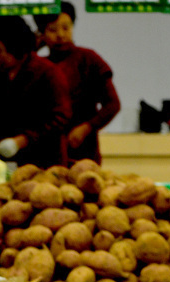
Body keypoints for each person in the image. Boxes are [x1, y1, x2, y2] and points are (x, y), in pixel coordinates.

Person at [0, 15, 71, 169]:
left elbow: (61, 117)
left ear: (15, 47)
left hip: (45, 163)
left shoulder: (47, 73)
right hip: (8, 162)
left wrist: (23, 140)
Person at [33, 3, 121, 165]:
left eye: (66, 28)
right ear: (42, 33)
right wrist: (33, 47)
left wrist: (87, 127)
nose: (60, 35)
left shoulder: (89, 59)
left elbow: (113, 104)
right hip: (45, 153)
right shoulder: (39, 66)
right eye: (52, 30)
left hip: (85, 152)